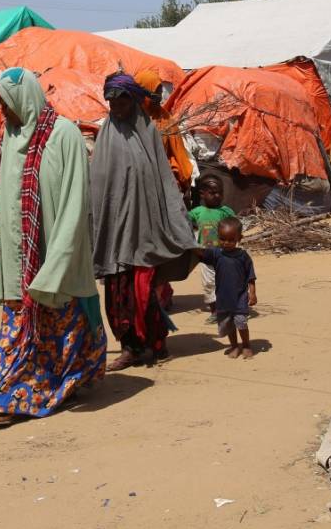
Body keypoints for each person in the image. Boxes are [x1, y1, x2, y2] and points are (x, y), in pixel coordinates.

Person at [0, 68, 105, 429]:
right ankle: (6, 396)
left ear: (25, 99)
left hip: (54, 260)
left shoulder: (64, 136)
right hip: (15, 265)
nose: (3, 113)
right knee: (18, 329)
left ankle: (36, 391)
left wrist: (55, 265)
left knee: (63, 331)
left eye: (6, 105)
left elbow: (75, 203)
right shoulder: (9, 138)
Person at [91, 72, 198, 371]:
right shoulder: (106, 136)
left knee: (143, 294)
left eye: (121, 100)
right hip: (115, 235)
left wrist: (177, 222)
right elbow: (99, 187)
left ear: (134, 100)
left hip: (145, 233)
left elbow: (163, 183)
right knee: (117, 297)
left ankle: (154, 343)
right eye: (110, 101)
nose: (115, 107)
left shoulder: (149, 132)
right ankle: (130, 348)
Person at [196, 217, 257, 359]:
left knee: (241, 322)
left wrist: (252, 294)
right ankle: (234, 346)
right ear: (218, 237)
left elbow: (251, 277)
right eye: (223, 239)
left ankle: (246, 345)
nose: (226, 243)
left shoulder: (243, 257)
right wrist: (187, 243)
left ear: (239, 238)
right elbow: (201, 254)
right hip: (223, 298)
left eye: (231, 240)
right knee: (229, 324)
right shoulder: (217, 254)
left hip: (240, 297)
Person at [133, 70, 193, 191]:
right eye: (154, 95)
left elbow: (177, 153)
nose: (158, 100)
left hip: (162, 179)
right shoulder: (130, 120)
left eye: (160, 94)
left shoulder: (165, 120)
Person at [187, 174, 235, 320]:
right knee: (209, 284)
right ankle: (215, 311)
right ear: (202, 194)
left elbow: (235, 227)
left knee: (224, 282)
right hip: (205, 255)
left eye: (220, 193)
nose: (217, 196)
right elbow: (184, 221)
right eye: (213, 193)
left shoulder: (226, 212)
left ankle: (227, 308)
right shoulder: (197, 212)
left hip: (224, 255)